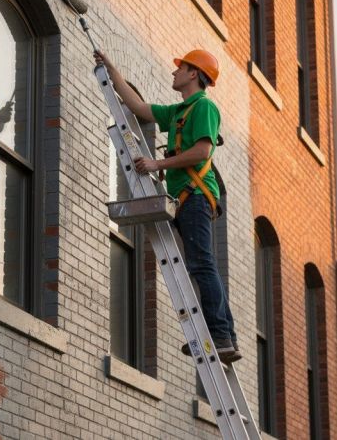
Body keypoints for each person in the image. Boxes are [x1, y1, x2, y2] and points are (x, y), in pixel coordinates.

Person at [93, 49, 241, 364]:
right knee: (195, 266)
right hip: (185, 199)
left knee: (202, 264)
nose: (174, 73)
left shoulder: (204, 107)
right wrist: (112, 67)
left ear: (194, 74)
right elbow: (138, 106)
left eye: (180, 68)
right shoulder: (177, 112)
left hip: (196, 197)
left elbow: (202, 152)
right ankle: (215, 334)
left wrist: (156, 163)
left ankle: (222, 335)